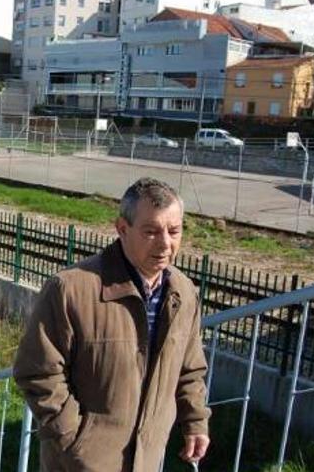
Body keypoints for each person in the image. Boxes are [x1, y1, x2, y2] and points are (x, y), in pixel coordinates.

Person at [13, 177, 211, 472]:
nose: (165, 244)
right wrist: (77, 443)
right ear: (122, 229)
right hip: (78, 464)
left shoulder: (183, 292)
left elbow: (190, 368)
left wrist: (195, 420)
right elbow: (39, 373)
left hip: (146, 460)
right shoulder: (70, 290)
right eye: (151, 232)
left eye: (174, 231)